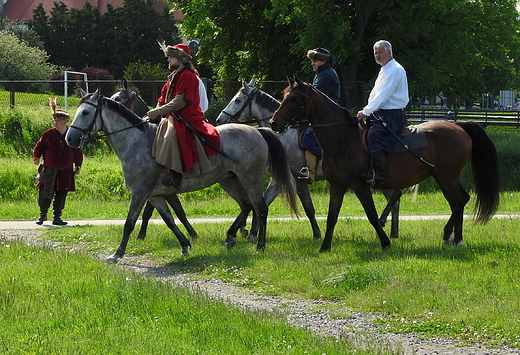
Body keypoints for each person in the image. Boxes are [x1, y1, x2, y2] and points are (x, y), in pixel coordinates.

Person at [146, 43, 220, 189]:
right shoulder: (172, 77)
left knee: (171, 134)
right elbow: (162, 100)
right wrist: (152, 113)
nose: (168, 60)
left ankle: (176, 174)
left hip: (187, 116)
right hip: (173, 115)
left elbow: (179, 102)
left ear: (180, 59)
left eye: (171, 57)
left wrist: (157, 112)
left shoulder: (188, 76)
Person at [356, 40, 409, 186]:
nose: (377, 55)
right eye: (375, 53)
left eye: (380, 52)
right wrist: (367, 110)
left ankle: (380, 175)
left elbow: (383, 95)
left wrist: (365, 111)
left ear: (389, 52)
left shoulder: (395, 70)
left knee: (374, 136)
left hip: (392, 115)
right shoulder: (385, 69)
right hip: (381, 113)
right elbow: (376, 94)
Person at [33, 98, 83, 225]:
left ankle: (57, 217)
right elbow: (39, 146)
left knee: (61, 195)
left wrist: (78, 165)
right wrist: (36, 157)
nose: (55, 122)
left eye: (58, 120)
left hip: (65, 171)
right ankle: (42, 215)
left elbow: (77, 151)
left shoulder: (72, 135)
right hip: (49, 169)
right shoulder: (49, 134)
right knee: (45, 193)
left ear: (65, 121)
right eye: (55, 120)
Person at [299, 47, 340, 183]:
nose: (312, 63)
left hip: (328, 116)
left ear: (323, 61)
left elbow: (314, 97)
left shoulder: (327, 75)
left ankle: (310, 173)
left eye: (314, 60)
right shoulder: (322, 73)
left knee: (309, 137)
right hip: (322, 115)